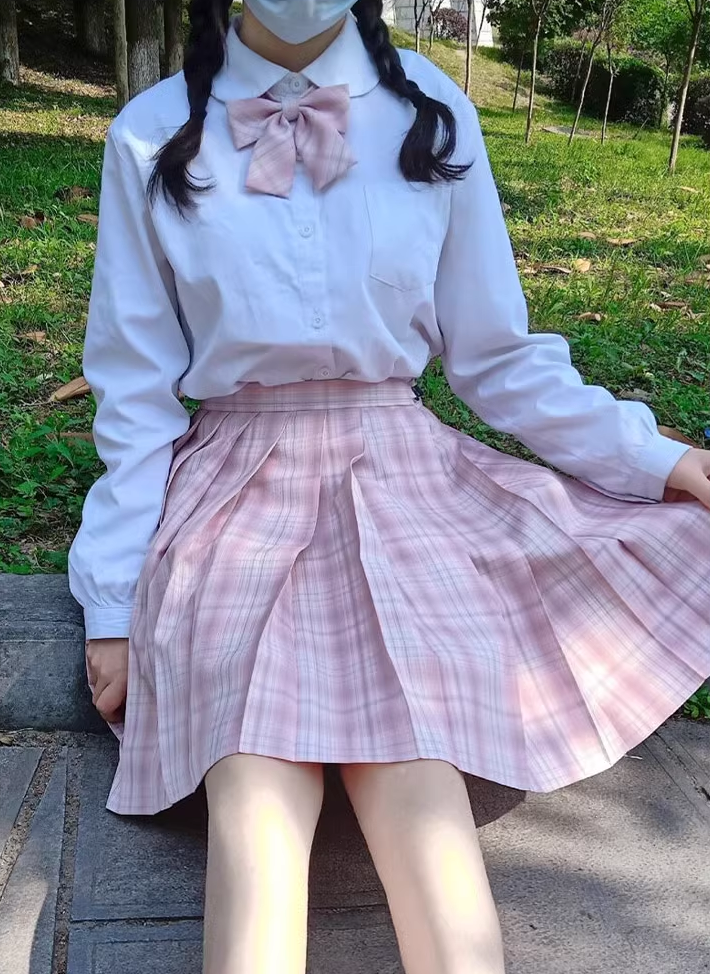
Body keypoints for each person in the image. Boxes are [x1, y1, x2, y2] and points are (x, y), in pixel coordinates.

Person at [67, 1, 710, 972]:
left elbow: (495, 356)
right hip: (234, 496)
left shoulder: (431, 113)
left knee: (418, 784)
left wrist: (653, 458)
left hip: (402, 476)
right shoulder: (151, 131)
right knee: (252, 789)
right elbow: (134, 390)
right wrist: (114, 601)